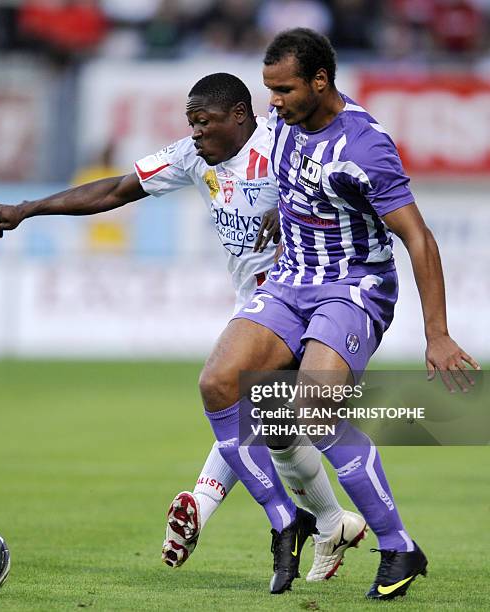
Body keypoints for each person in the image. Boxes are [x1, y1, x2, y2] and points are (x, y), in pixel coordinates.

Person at [0, 73, 365, 590]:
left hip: (317, 299)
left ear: (241, 117)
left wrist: (290, 205)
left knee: (240, 399)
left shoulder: (286, 142)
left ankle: (215, 505)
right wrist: (28, 209)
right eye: (191, 123)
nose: (196, 132)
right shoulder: (191, 157)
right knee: (276, 431)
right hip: (259, 306)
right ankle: (333, 523)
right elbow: (114, 189)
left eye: (204, 122)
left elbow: (351, 179)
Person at [196, 28, 480, 599]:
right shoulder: (283, 124)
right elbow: (295, 182)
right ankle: (288, 520)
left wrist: (438, 333)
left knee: (312, 410)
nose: (270, 102)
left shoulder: (365, 146)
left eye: (282, 89)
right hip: (289, 281)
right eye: (267, 88)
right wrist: (290, 214)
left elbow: (418, 237)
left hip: (353, 286)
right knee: (219, 382)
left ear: (320, 82)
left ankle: (398, 545)